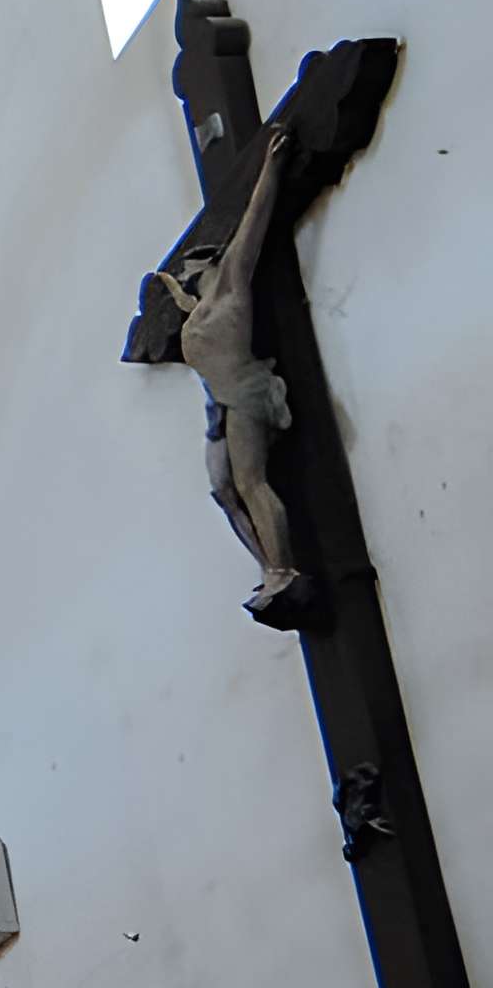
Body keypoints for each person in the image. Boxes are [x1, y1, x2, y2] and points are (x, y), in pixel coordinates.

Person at [154, 130, 303, 622]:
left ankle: (284, 570)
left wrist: (271, 168)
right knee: (223, 491)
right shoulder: (198, 309)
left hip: (244, 395)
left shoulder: (234, 284)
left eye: (196, 271)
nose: (191, 277)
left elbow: (255, 222)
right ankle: (264, 564)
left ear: (213, 265)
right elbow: (181, 300)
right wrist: (172, 288)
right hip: (216, 406)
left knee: (252, 481)